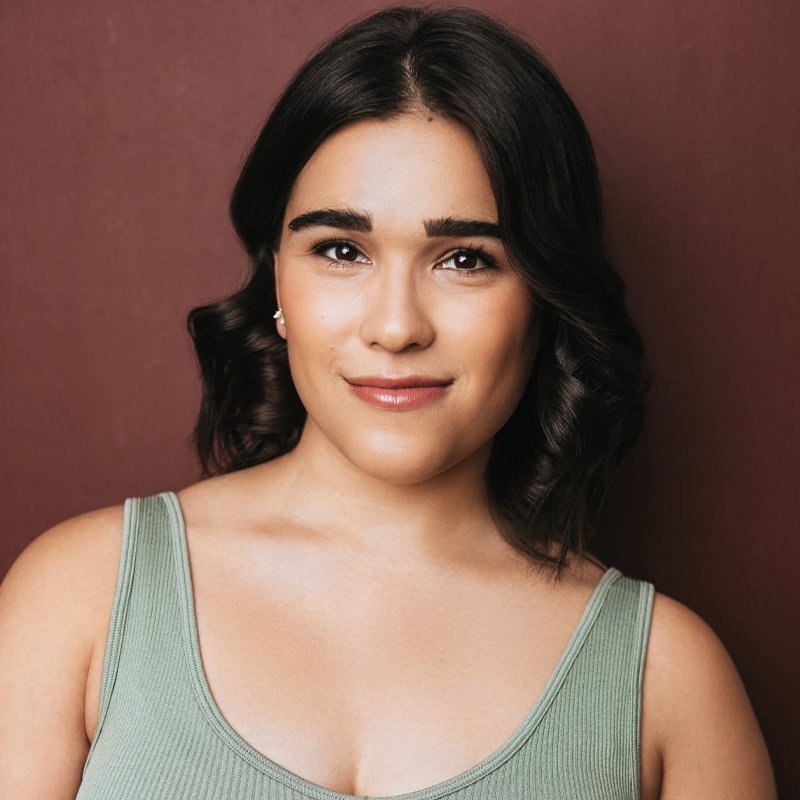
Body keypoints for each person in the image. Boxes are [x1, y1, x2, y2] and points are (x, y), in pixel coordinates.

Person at [0, 5, 776, 799]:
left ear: (545, 298)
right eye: (341, 250)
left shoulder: (668, 683)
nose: (397, 326)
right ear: (276, 279)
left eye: (466, 259)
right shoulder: (81, 597)